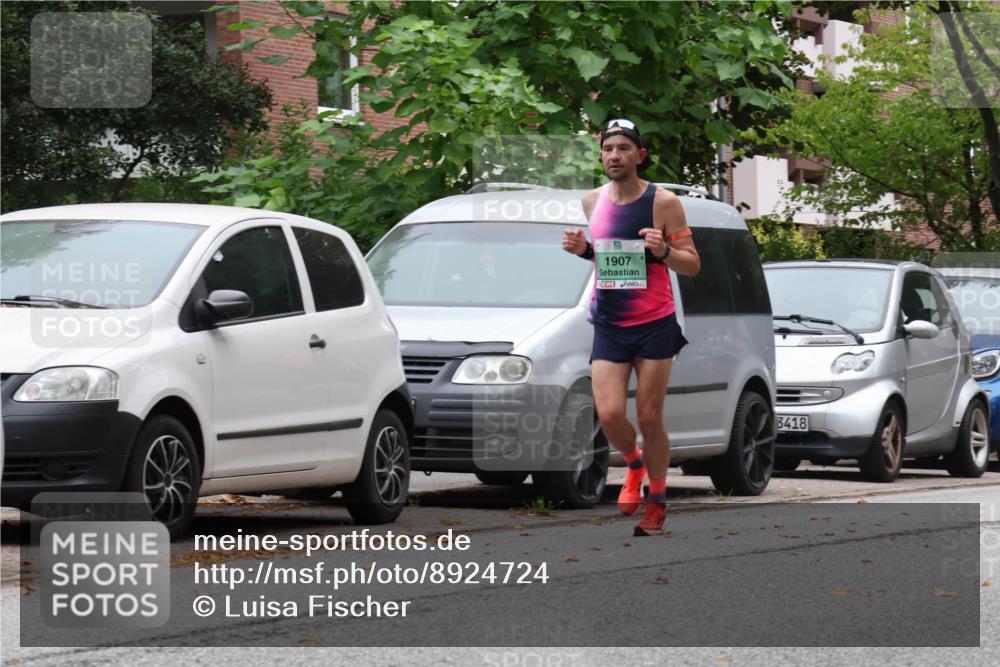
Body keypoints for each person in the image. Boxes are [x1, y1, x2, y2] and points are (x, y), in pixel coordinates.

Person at [562, 118, 700, 536]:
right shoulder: (591, 202)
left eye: (623, 148)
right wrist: (586, 251)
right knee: (607, 414)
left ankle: (656, 504)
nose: (614, 156)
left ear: (639, 155)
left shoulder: (664, 203)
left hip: (655, 322)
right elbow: (612, 259)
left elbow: (692, 264)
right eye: (608, 149)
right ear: (601, 155)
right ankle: (635, 466)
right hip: (609, 322)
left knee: (649, 416)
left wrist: (663, 253)